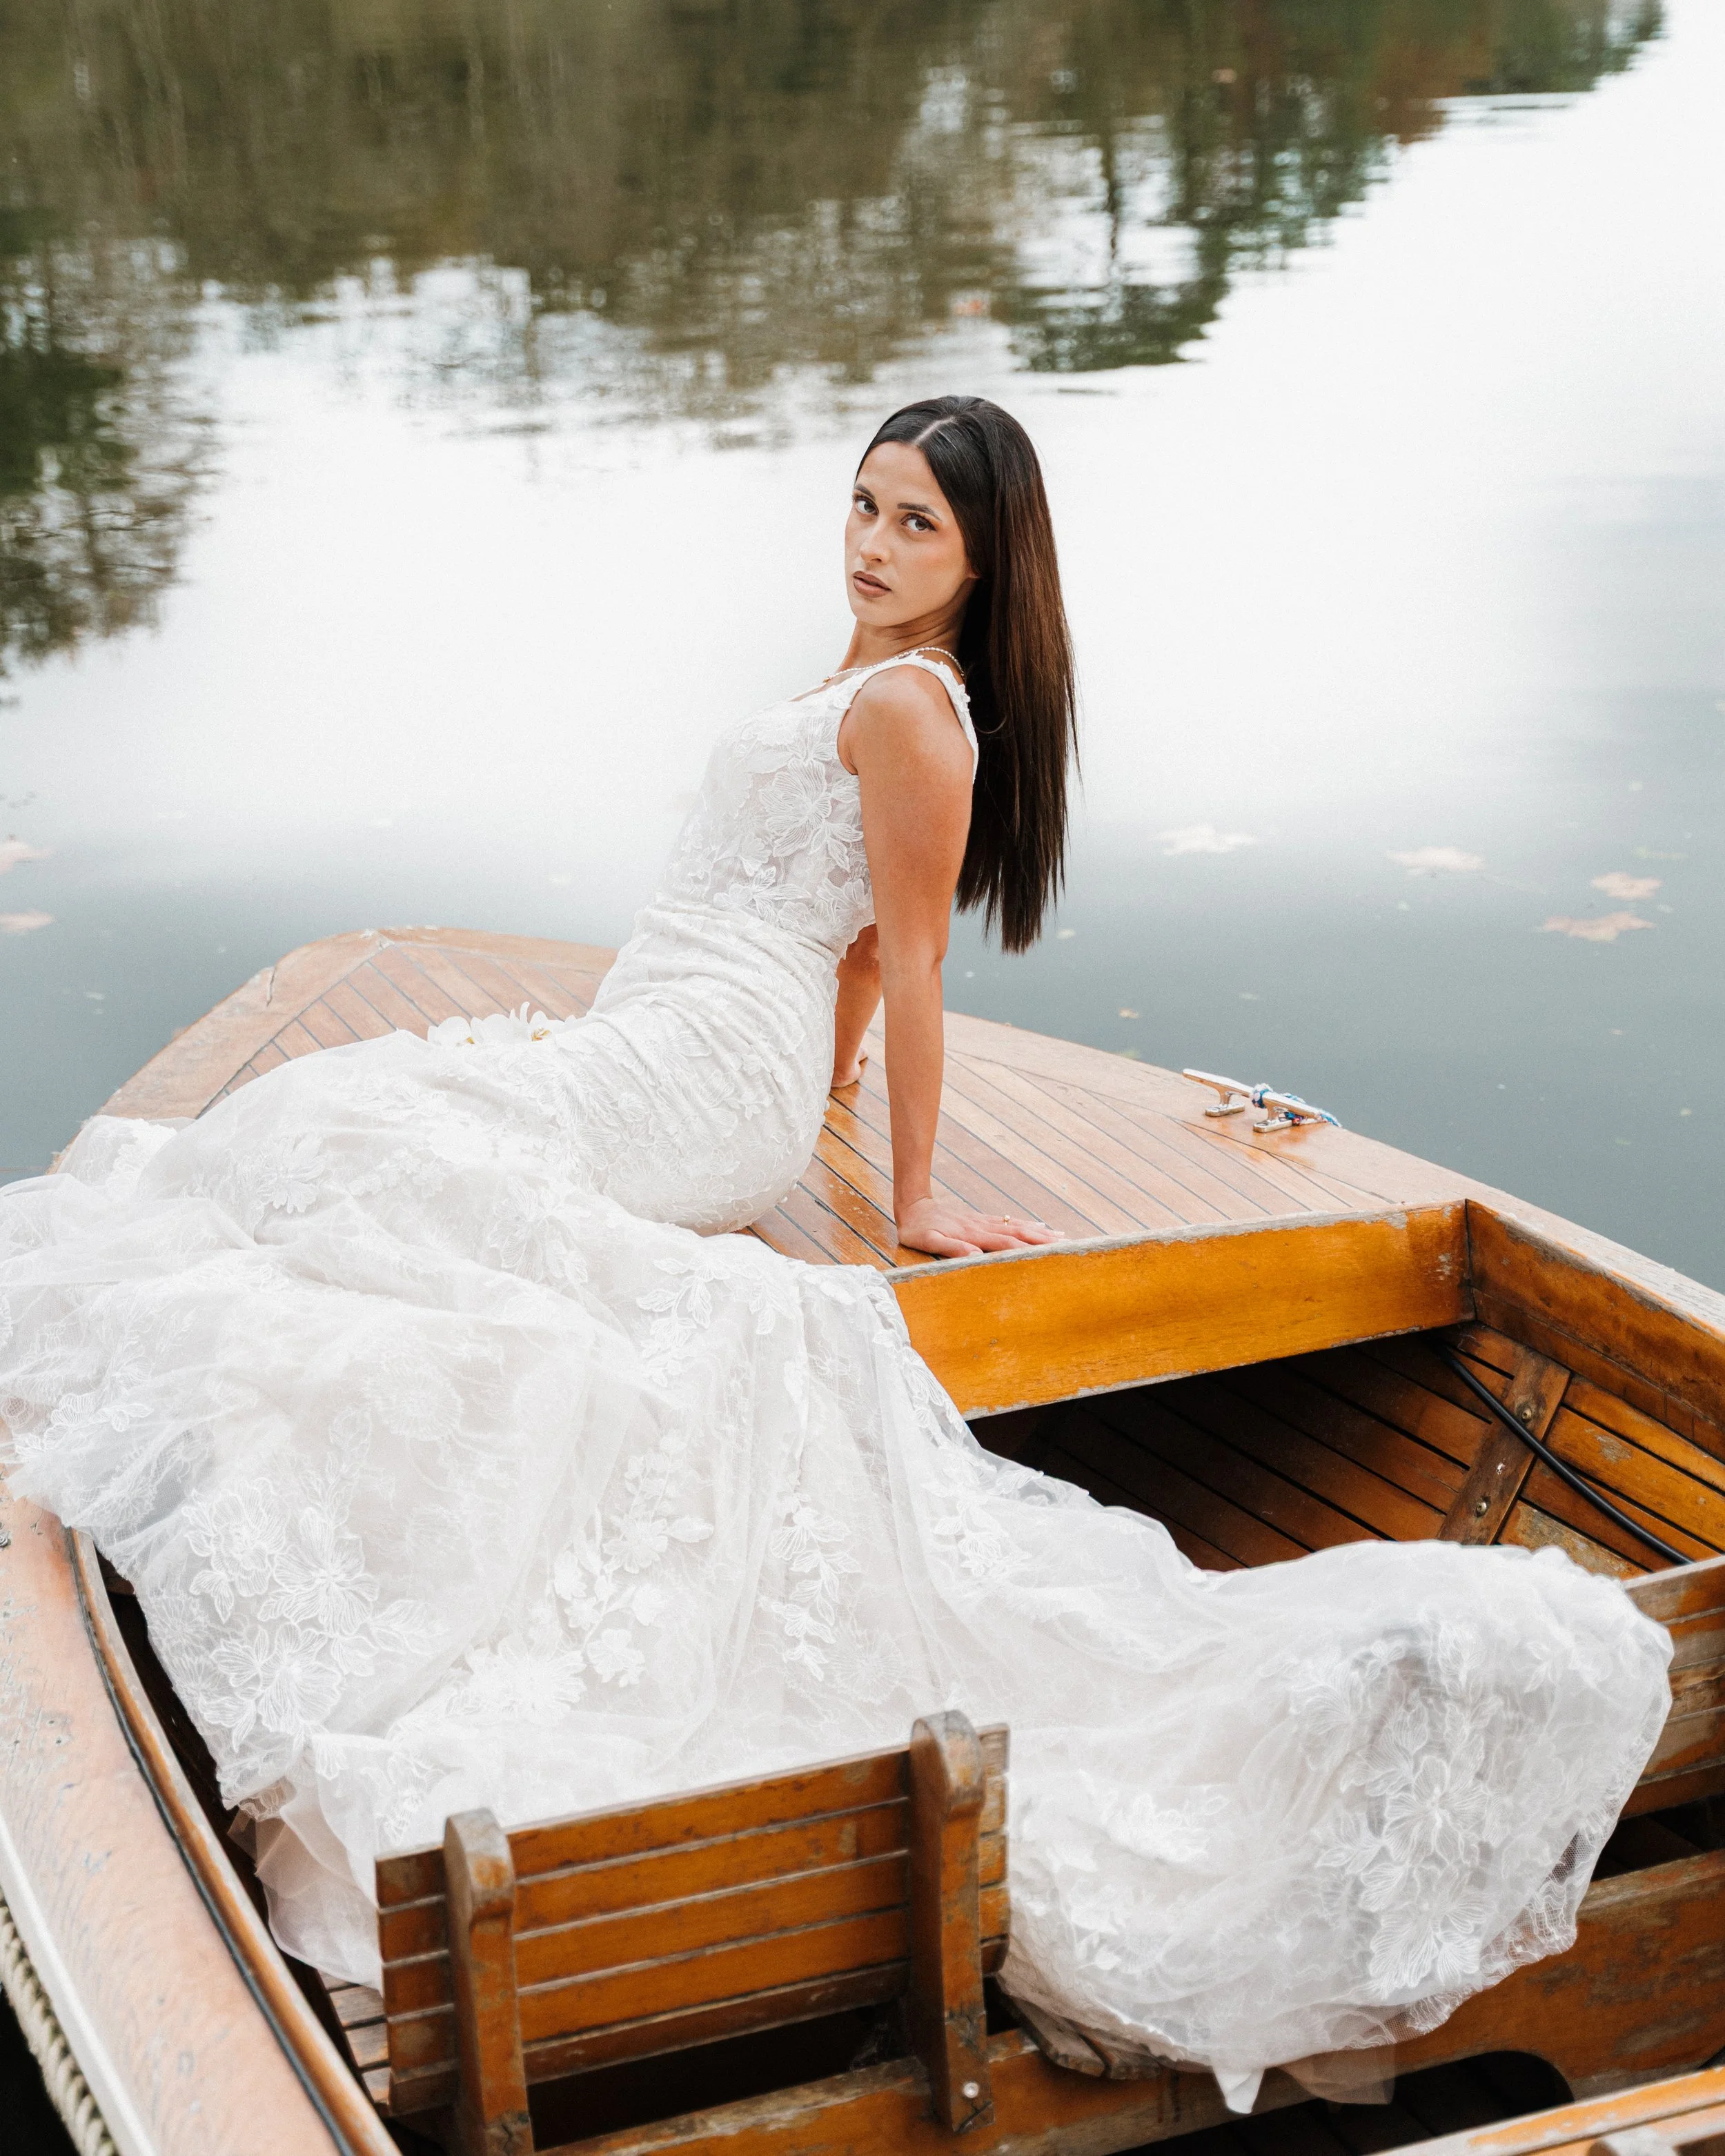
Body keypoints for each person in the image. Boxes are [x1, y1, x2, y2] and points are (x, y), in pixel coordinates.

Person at [0, 395, 1670, 2112]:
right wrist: (785, 1074)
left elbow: (916, 963)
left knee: (342, 1147)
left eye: (913, 526)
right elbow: (853, 958)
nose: (870, 545)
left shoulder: (911, 711)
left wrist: (914, 1188)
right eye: (862, 505)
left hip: (711, 1064)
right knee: (344, 1135)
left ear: (981, 558)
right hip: (677, 1032)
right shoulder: (855, 683)